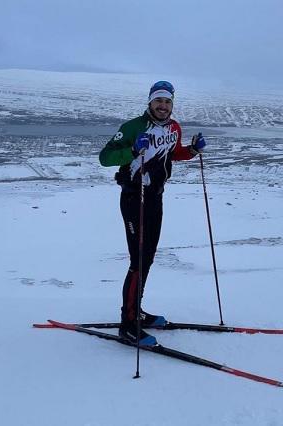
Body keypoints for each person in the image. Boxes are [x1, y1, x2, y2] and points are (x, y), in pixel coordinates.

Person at [99, 80, 206, 345]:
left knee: (148, 257)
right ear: (150, 102)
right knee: (138, 260)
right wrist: (133, 149)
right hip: (135, 198)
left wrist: (192, 150)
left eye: (168, 101)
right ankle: (128, 324)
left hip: (156, 198)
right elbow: (105, 157)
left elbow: (172, 154)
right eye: (158, 101)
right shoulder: (133, 127)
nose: (163, 105)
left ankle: (138, 312)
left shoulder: (174, 127)